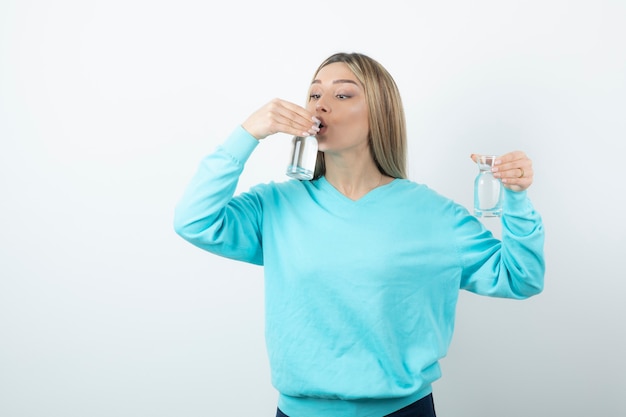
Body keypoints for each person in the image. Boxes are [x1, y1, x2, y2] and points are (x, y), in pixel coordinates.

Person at [173, 52, 545, 417]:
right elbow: (194, 220)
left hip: (402, 411)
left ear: (380, 113)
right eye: (314, 94)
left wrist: (516, 198)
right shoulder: (275, 206)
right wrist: (248, 134)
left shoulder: (433, 215)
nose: (320, 106)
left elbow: (520, 277)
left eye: (343, 94)